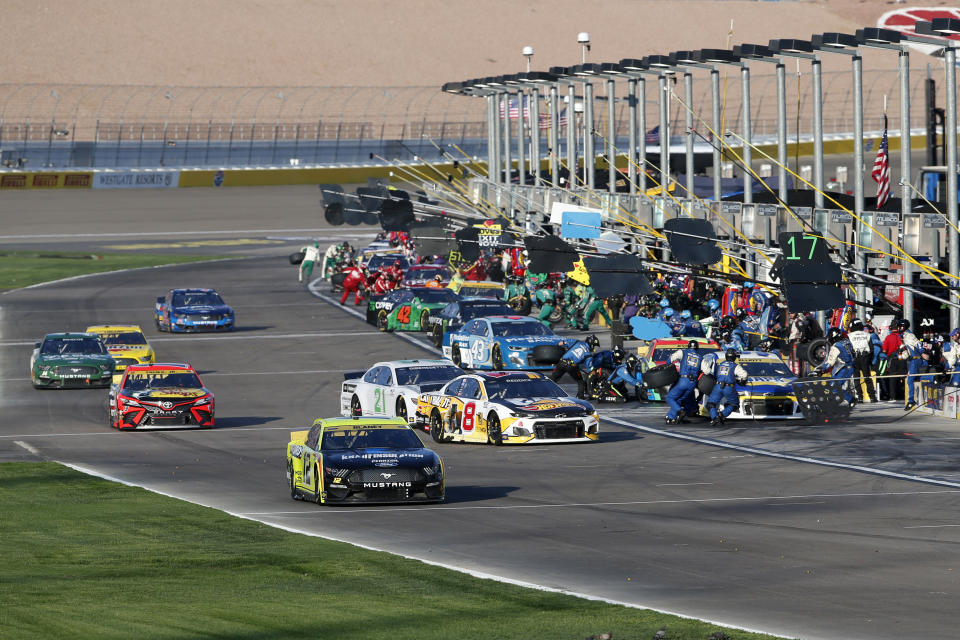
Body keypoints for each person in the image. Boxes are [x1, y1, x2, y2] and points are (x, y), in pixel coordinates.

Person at [665, 340, 712, 424]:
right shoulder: (701, 358)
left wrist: (668, 367)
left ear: (688, 346)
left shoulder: (682, 352)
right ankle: (671, 417)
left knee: (669, 398)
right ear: (697, 347)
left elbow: (670, 359)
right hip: (692, 383)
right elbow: (707, 371)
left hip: (683, 380)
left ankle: (680, 411)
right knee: (679, 399)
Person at [814, 327, 857, 405]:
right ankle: (840, 400)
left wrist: (821, 370)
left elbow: (830, 362)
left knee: (834, 387)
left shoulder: (836, 347)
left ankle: (850, 399)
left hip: (844, 368)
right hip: (850, 367)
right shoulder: (847, 342)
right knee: (833, 385)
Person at [706, 348, 749, 426]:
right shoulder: (735, 366)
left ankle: (714, 417)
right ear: (734, 357)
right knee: (734, 404)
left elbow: (715, 374)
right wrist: (741, 380)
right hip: (728, 387)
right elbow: (744, 374)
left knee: (711, 404)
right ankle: (722, 415)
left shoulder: (720, 364)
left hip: (718, 386)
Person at [550, 334, 598, 399]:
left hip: (561, 362)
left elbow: (561, 343)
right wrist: (595, 374)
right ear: (591, 344)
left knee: (552, 379)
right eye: (594, 346)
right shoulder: (588, 355)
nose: (594, 348)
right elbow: (590, 369)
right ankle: (580, 397)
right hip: (571, 366)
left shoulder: (577, 342)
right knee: (581, 381)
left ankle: (545, 393)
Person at [847, 319, 877, 403]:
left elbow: (848, 349)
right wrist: (870, 360)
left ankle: (860, 397)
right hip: (865, 357)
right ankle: (872, 397)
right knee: (867, 377)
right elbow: (871, 349)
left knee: (856, 378)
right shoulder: (867, 335)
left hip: (855, 358)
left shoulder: (849, 336)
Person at [896, 319, 923, 409]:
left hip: (915, 360)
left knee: (910, 380)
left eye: (899, 326)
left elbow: (919, 344)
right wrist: (900, 353)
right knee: (916, 379)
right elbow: (904, 355)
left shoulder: (909, 335)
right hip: (911, 360)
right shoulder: (904, 336)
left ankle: (911, 401)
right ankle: (918, 399)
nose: (898, 328)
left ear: (903, 327)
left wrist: (922, 352)